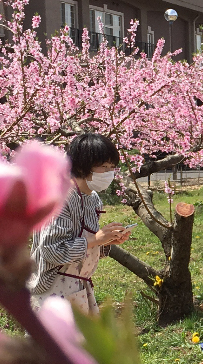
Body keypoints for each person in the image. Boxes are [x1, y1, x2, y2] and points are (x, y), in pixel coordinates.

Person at [29, 132, 132, 315]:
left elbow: (85, 243)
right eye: (103, 166)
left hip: (78, 286)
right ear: (83, 166)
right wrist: (94, 239)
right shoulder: (59, 197)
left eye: (112, 167)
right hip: (53, 290)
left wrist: (107, 240)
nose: (109, 172)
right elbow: (52, 250)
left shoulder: (93, 198)